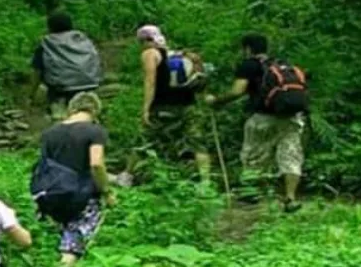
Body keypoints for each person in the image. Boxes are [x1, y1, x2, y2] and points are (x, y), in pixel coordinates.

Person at [206, 33, 307, 211]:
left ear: (247, 49)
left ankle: (250, 196)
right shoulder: (281, 64)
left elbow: (237, 91)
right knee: (290, 155)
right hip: (291, 116)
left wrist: (217, 101)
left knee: (254, 155)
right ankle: (290, 198)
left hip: (263, 117)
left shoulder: (249, 65)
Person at [38, 91, 115, 267]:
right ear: (95, 111)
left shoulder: (50, 133)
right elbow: (96, 164)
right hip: (82, 195)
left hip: (51, 193)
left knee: (61, 239)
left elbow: (44, 165)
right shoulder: (95, 131)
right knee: (72, 248)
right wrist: (106, 191)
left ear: (71, 109)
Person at [131, 24, 211, 183]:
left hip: (163, 106)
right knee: (197, 143)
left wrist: (146, 109)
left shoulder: (150, 53)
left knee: (144, 142)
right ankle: (206, 181)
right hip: (188, 106)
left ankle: (127, 176)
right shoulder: (179, 55)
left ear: (144, 40)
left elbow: (150, 81)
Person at [31, 12, 103, 120]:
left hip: (60, 89)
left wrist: (32, 93)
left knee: (60, 115)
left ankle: (58, 114)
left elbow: (37, 71)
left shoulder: (47, 43)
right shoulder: (82, 39)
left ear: (50, 27)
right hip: (88, 85)